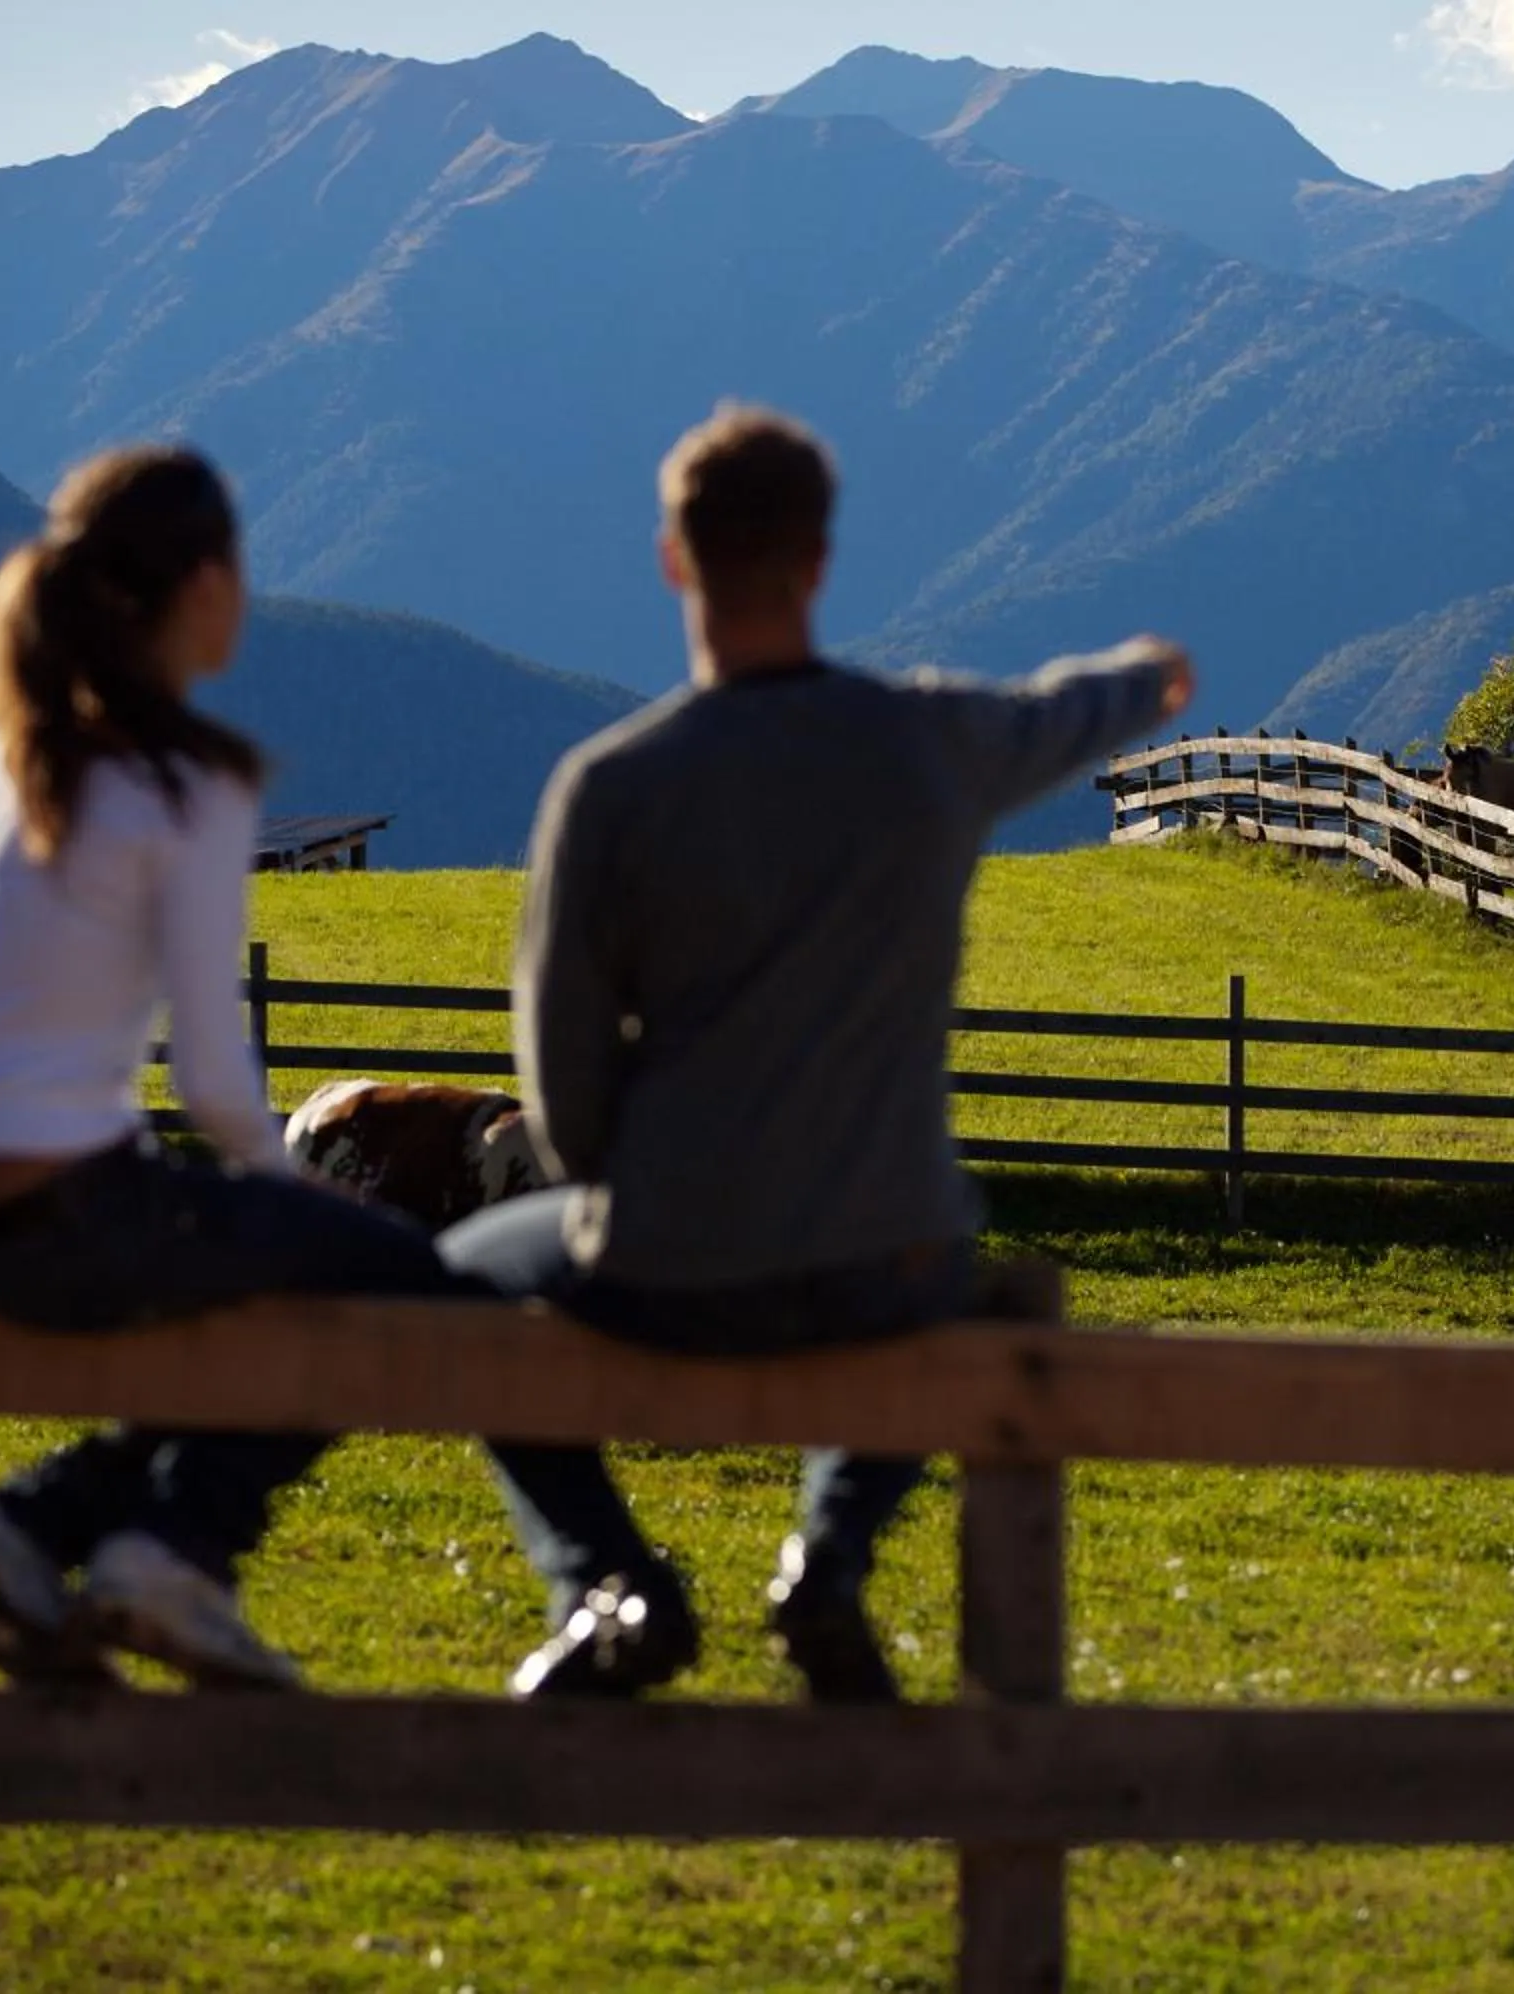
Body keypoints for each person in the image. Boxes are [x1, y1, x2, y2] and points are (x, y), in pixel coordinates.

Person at [440, 402, 1195, 1701]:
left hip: (669, 1253)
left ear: (676, 559)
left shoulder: (612, 788)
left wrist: (637, 1202)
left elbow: (561, 1080)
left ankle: (610, 1583)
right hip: (885, 1254)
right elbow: (1064, 711)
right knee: (947, 1251)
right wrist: (1149, 675)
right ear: (820, 560)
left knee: (456, 1279)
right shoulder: (928, 742)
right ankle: (829, 1559)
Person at [0, 445, 478, 1692]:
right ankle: (174, 1548)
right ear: (202, 584)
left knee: (254, 1274)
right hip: (74, 1208)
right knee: (387, 1270)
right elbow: (214, 1070)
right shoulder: (187, 778)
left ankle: (36, 1523)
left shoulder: (3, 765)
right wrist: (290, 1194)